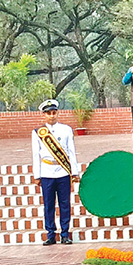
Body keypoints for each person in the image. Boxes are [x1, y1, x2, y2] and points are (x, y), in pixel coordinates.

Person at [31, 98, 80, 246]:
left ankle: (65, 234)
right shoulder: (38, 133)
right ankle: (50, 234)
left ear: (57, 113)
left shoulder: (66, 129)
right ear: (43, 115)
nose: (51, 116)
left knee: (65, 204)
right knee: (49, 205)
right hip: (47, 172)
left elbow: (71, 152)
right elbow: (35, 154)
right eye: (48, 113)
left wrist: (74, 171)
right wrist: (37, 175)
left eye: (54, 112)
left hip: (63, 172)